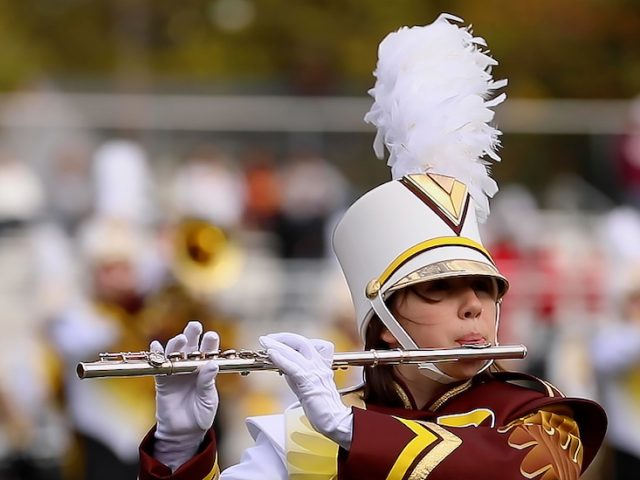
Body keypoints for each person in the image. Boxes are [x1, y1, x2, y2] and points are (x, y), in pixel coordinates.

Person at [137, 14, 606, 479]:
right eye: (438, 289)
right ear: (384, 324)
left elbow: (515, 470)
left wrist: (350, 430)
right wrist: (179, 447)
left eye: (485, 289)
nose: (473, 307)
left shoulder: (536, 417)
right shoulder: (309, 435)